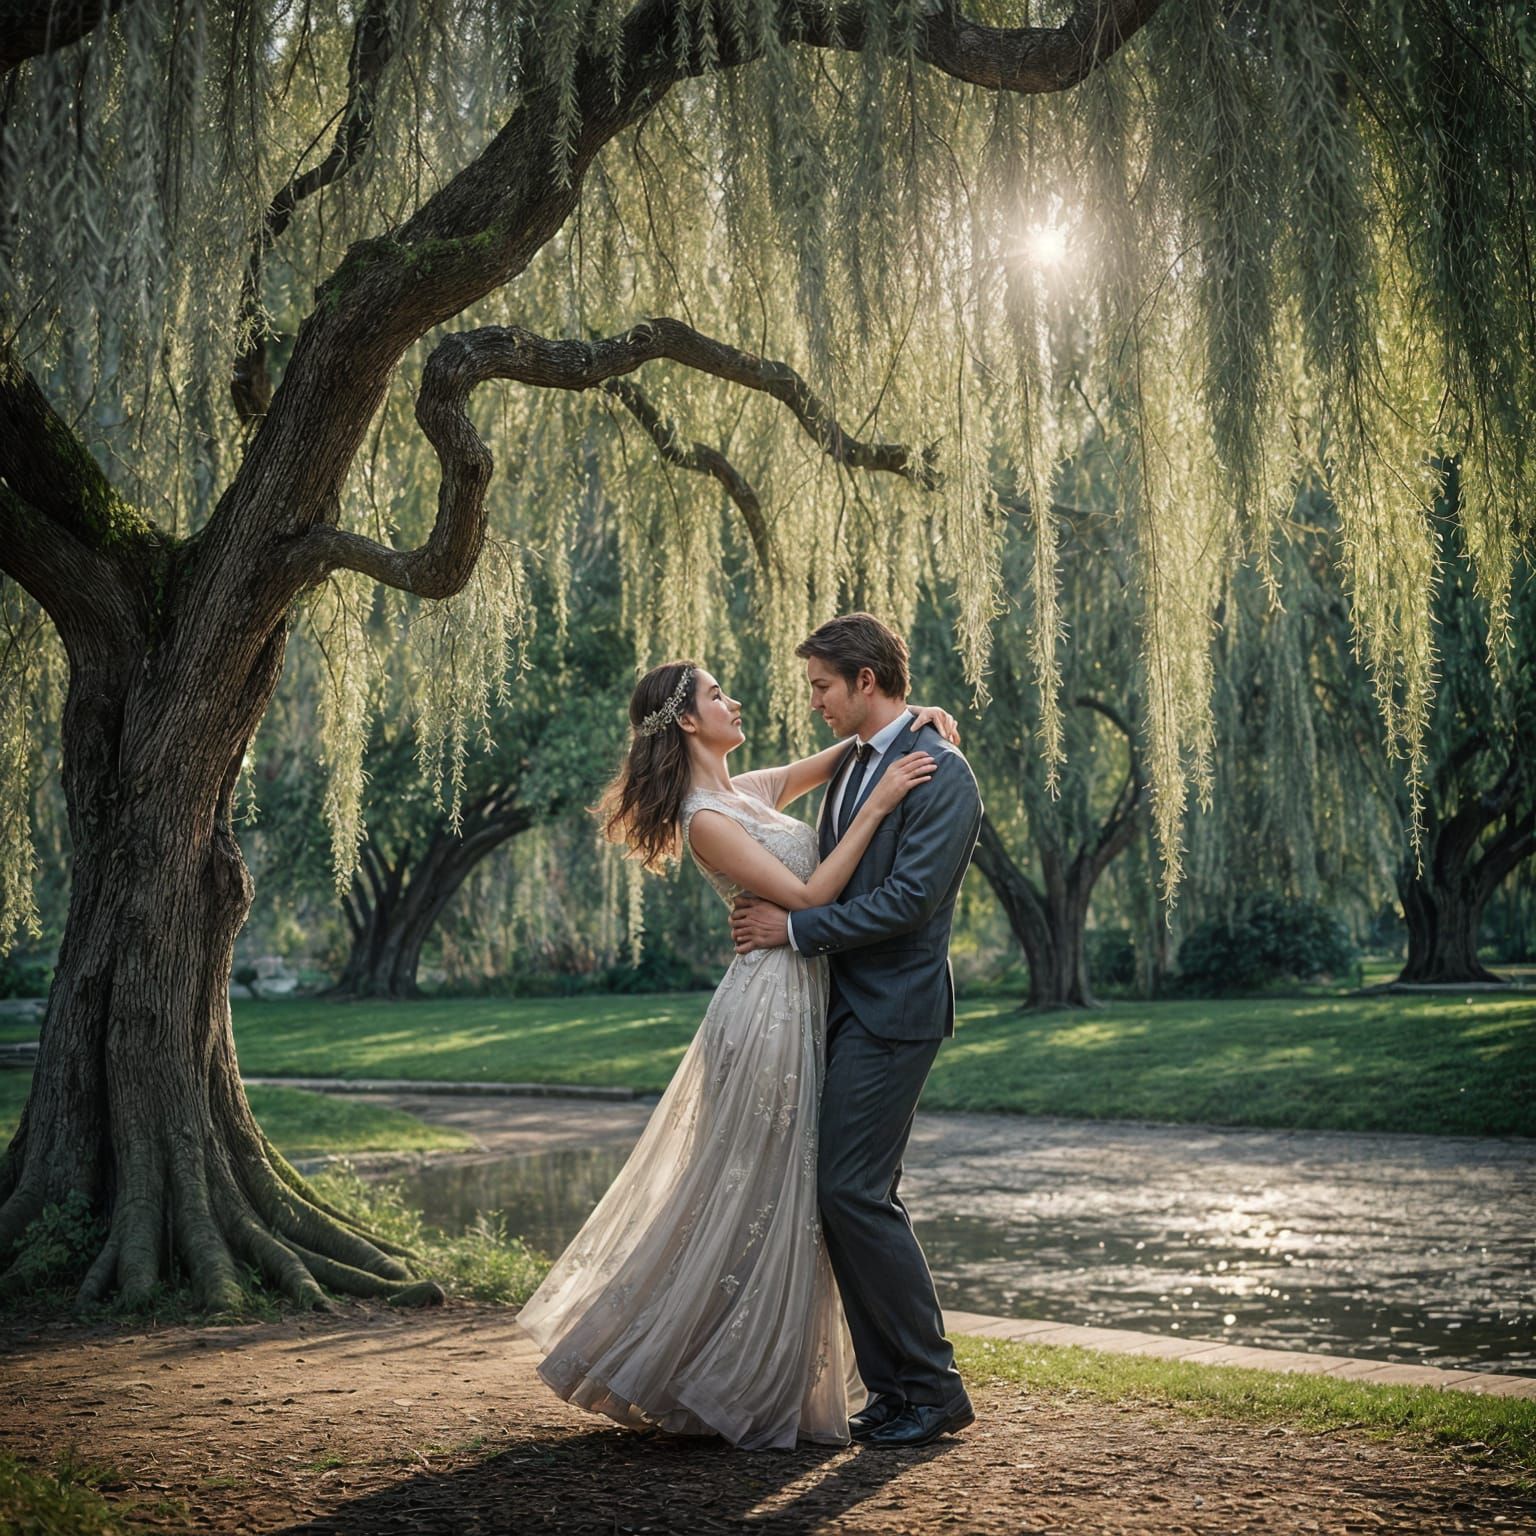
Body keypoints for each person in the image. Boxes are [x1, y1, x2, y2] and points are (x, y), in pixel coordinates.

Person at [515, 656, 959, 1450]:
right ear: (688, 720)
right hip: (766, 1011)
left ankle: (753, 1365)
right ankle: (701, 1364)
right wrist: (882, 803)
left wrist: (916, 714)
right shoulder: (705, 818)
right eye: (719, 693)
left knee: (793, 1191)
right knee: (753, 1187)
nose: (736, 698)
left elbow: (856, 747)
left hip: (805, 1000)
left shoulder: (745, 790)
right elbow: (814, 895)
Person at [730, 612, 983, 1448]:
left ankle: (934, 1390)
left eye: (822, 687)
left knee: (854, 1193)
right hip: (846, 1007)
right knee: (845, 1196)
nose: (814, 702)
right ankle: (897, 1391)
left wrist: (794, 931)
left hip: (896, 1010)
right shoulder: (863, 765)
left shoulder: (944, 776)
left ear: (865, 682)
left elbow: (910, 902)